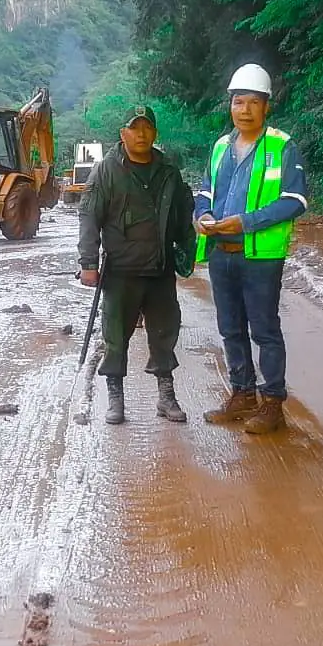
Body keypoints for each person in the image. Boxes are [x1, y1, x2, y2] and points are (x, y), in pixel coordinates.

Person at [194, 64, 310, 434]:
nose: (243, 109)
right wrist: (203, 214)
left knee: (264, 330)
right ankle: (242, 395)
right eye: (237, 101)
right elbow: (205, 191)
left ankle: (272, 404)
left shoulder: (281, 146)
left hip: (261, 256)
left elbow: (295, 201)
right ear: (230, 104)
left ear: (266, 107)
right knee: (230, 328)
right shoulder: (219, 147)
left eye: (252, 103)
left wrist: (245, 222)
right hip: (220, 252)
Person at [78, 105, 196, 425]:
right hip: (121, 270)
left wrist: (188, 252)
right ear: (123, 134)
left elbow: (184, 215)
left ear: (155, 134)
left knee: (164, 332)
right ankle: (116, 398)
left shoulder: (169, 171)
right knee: (116, 336)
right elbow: (89, 215)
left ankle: (166, 395)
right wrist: (88, 262)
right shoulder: (106, 170)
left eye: (147, 128)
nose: (141, 134)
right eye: (134, 128)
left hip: (160, 268)